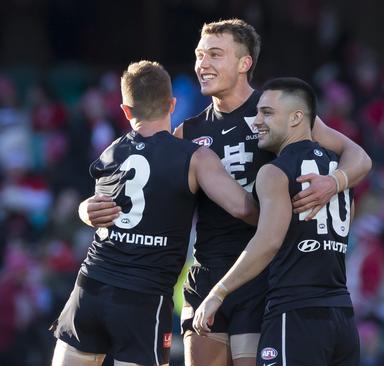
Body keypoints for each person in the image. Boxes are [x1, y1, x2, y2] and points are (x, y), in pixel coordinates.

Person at [79, 18, 371, 366]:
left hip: (262, 277)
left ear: (244, 63)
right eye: (200, 55)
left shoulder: (274, 112)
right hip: (207, 272)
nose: (203, 64)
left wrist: (334, 181)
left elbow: (359, 157)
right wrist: (86, 209)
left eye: (215, 55)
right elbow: (142, 199)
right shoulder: (187, 131)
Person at [51, 60, 258, 366]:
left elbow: (95, 209)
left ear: (125, 111)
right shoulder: (194, 156)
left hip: (90, 288)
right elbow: (242, 207)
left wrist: (83, 210)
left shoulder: (111, 152)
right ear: (172, 104)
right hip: (143, 299)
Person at [193, 77, 359, 366]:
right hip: (342, 315)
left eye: (267, 113)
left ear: (297, 118)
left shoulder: (273, 173)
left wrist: (217, 293)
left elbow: (268, 241)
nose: (257, 121)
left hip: (295, 316)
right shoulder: (337, 172)